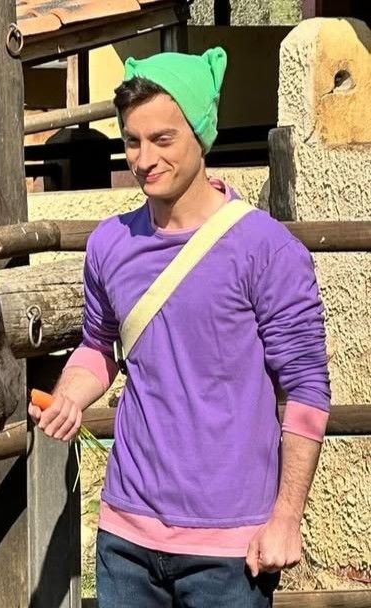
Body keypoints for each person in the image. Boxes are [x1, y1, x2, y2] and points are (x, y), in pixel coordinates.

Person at [28, 47, 332, 607]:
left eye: (162, 139)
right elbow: (100, 346)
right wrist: (71, 393)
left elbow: (307, 390)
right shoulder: (109, 244)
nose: (144, 159)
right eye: (132, 141)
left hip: (231, 547)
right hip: (126, 537)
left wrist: (287, 518)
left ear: (200, 135)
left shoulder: (266, 250)